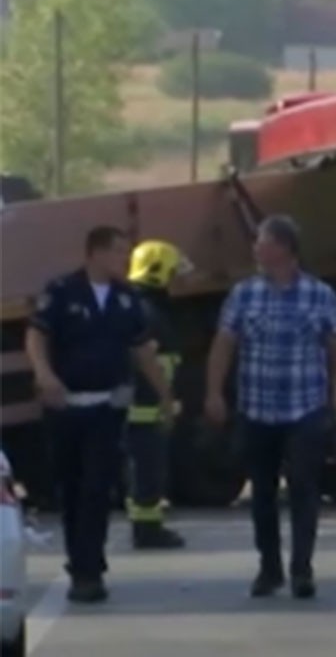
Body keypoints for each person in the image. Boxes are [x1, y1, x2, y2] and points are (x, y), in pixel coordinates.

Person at [204, 215, 336, 598]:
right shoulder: (244, 295)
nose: (256, 247)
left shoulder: (319, 295)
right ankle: (269, 567)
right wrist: (214, 393)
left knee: (305, 488)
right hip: (257, 409)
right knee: (262, 491)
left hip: (304, 408)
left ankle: (302, 568)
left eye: (264, 241)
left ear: (286, 249)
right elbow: (224, 344)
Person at [25, 226, 175, 603]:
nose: (124, 261)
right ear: (94, 253)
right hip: (65, 408)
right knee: (72, 489)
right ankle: (79, 562)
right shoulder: (61, 291)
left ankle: (90, 570)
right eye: (118, 253)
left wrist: (165, 396)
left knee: (98, 488)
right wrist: (45, 375)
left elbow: (142, 350)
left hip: (106, 409)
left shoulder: (126, 299)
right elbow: (36, 336)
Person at [125, 239, 193, 550]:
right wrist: (166, 398)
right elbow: (147, 359)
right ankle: (147, 530)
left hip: (141, 405)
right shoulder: (149, 312)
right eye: (173, 271)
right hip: (144, 407)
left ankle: (146, 524)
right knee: (148, 469)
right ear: (158, 272)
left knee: (145, 468)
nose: (178, 279)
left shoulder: (137, 305)